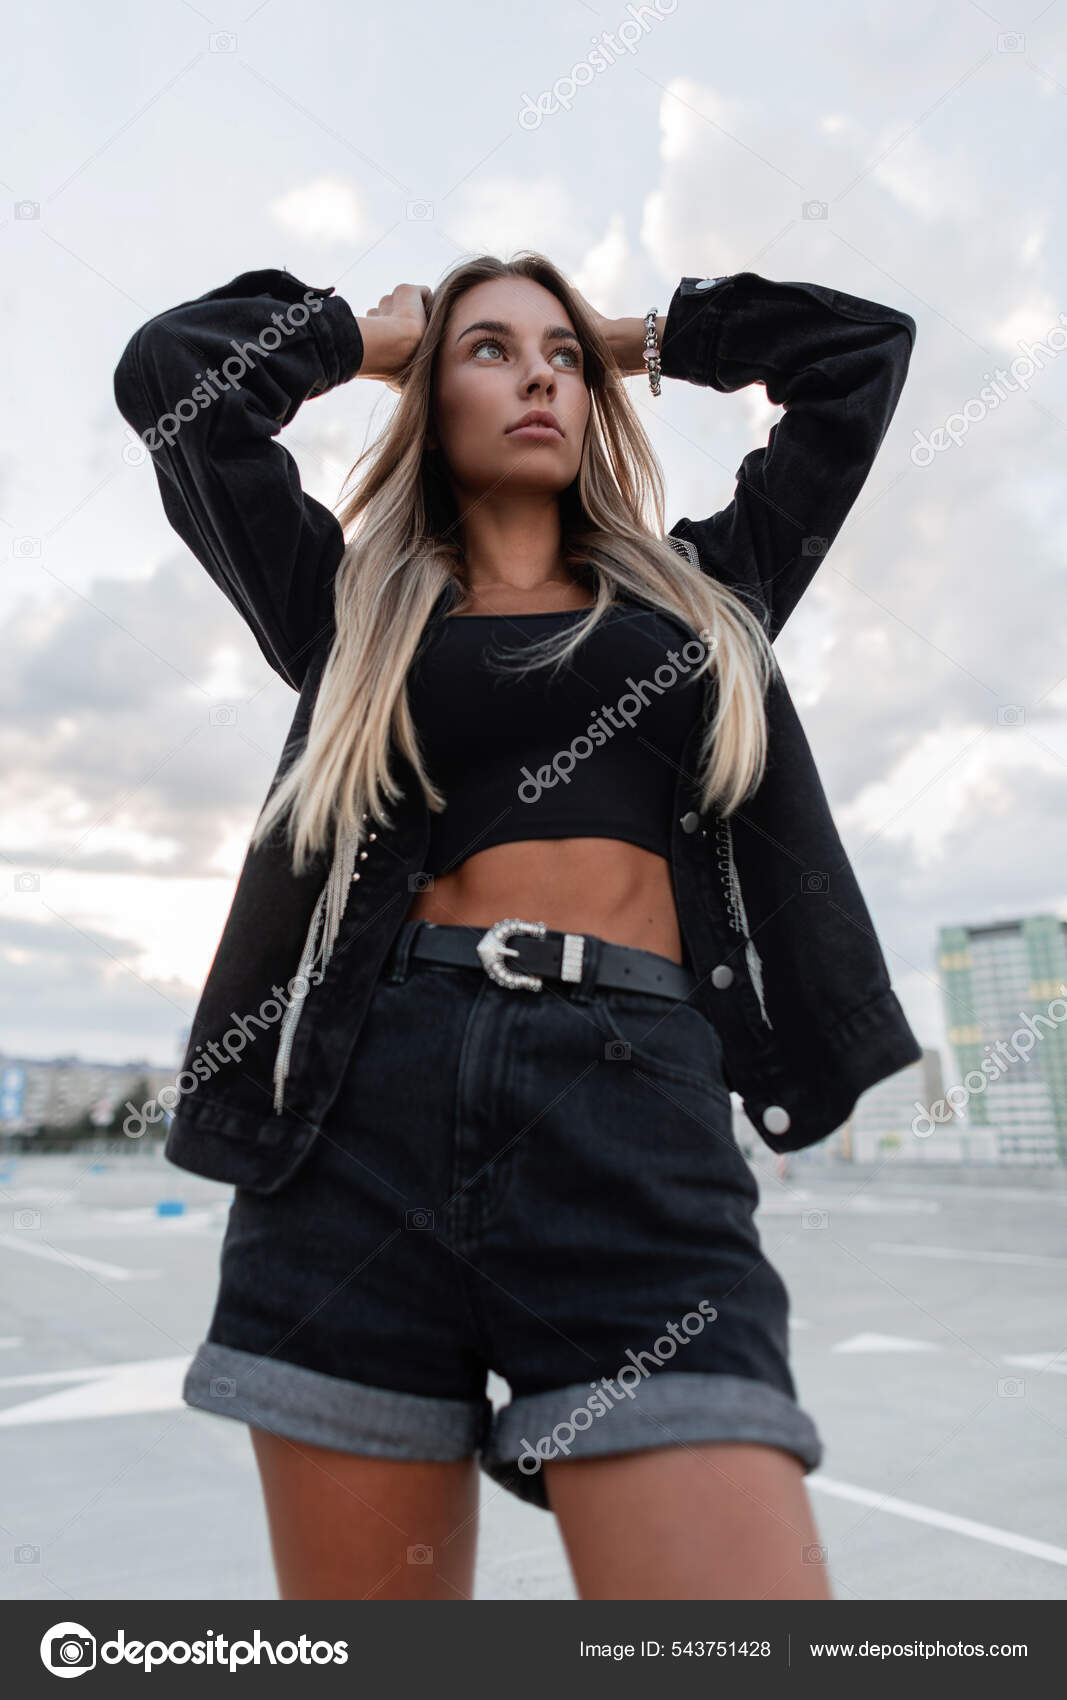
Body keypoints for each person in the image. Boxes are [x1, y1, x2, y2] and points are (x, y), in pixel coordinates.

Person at [114, 250, 918, 1600]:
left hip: (635, 1116)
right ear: (429, 402)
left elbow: (861, 356)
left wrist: (636, 335)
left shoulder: (708, 590)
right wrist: (368, 339)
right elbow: (176, 380)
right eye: (489, 351)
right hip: (354, 1137)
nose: (538, 373)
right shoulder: (348, 606)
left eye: (560, 359)